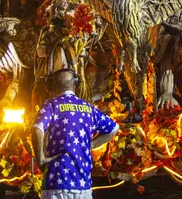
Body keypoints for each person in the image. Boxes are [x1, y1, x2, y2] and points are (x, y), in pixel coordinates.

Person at [31, 68, 119, 199]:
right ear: (75, 84)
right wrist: (90, 144)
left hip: (56, 185)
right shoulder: (88, 108)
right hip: (83, 186)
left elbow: (37, 130)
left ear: (53, 86)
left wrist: (40, 159)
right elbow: (114, 128)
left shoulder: (51, 105)